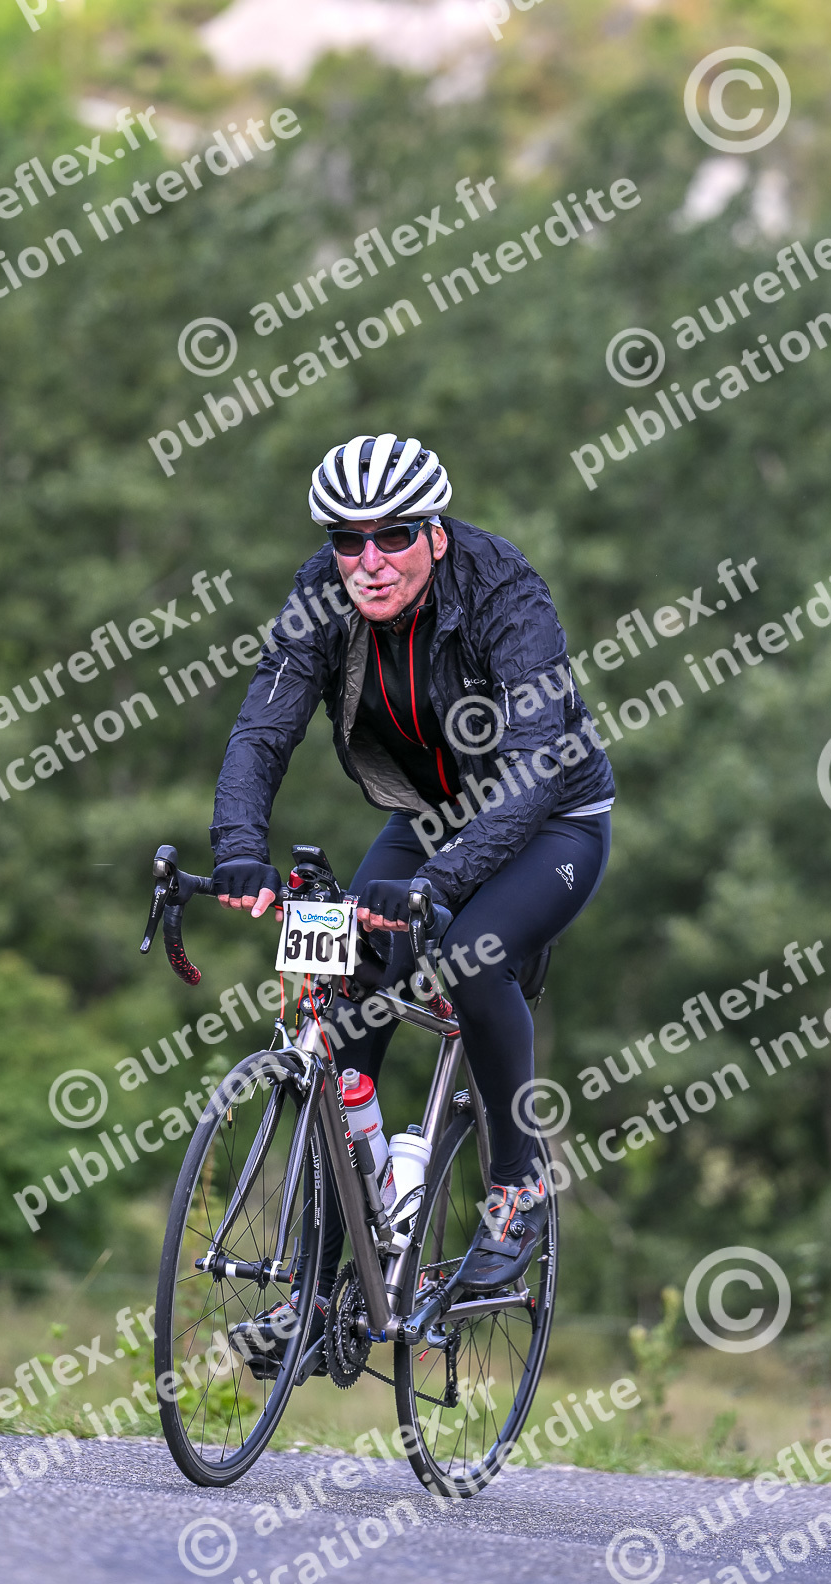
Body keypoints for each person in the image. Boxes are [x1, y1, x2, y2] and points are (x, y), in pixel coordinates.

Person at [209, 433, 612, 1365]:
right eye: (347, 541)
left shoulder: (505, 591)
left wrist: (438, 884)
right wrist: (238, 850)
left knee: (468, 957)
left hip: (553, 817)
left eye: (392, 536)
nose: (369, 561)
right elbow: (262, 729)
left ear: (434, 533)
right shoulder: (324, 591)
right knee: (344, 1000)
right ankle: (321, 1295)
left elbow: (532, 768)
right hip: (427, 816)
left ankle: (517, 1185)